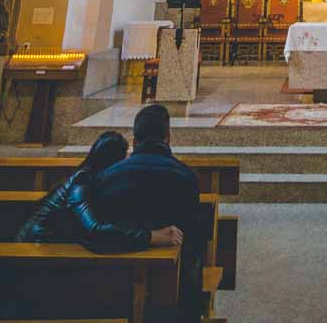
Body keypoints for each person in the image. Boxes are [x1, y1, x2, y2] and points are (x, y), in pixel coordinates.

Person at [95, 104, 202, 321]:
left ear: (134, 140)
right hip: (172, 292)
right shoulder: (185, 178)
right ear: (168, 137)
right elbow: (192, 240)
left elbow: (101, 229)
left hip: (113, 287)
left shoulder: (107, 178)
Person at [17, 131, 180, 252]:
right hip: (36, 248)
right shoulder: (81, 183)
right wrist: (151, 236)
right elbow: (95, 230)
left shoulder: (92, 179)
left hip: (51, 245)